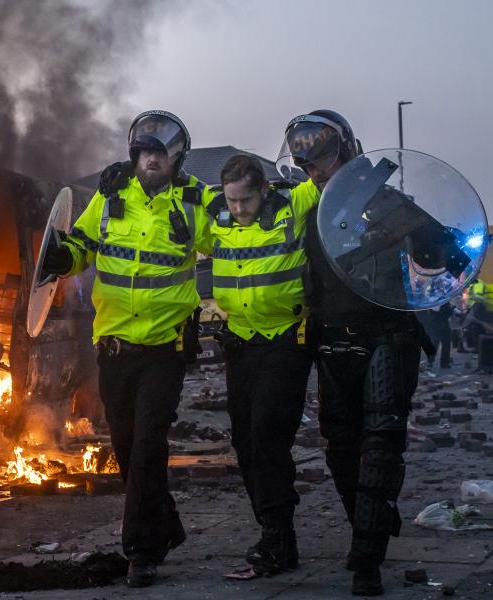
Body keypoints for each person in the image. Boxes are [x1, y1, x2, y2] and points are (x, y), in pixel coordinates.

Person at [40, 110, 214, 588]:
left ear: (177, 158)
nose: (151, 159)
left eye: (160, 153)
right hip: (114, 346)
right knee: (125, 446)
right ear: (134, 154)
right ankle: (168, 526)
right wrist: (61, 259)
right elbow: (83, 247)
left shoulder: (196, 202)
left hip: (165, 348)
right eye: (144, 151)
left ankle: (140, 551)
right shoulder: (111, 195)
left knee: (147, 447)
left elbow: (234, 239)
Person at [278, 110, 430, 596]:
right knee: (341, 447)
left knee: (382, 443)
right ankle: (368, 524)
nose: (318, 173)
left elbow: (439, 254)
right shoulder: (309, 208)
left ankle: (368, 559)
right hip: (332, 338)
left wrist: (426, 234)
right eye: (309, 167)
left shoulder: (384, 199)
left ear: (346, 150)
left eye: (324, 161)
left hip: (388, 334)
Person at [202, 154, 313, 578]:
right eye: (231, 202)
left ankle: (278, 536)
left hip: (286, 340)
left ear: (264, 191)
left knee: (268, 430)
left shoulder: (293, 207)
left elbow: (333, 183)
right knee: (246, 440)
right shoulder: (215, 217)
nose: (239, 210)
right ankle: (273, 531)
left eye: (246, 201)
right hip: (241, 343)